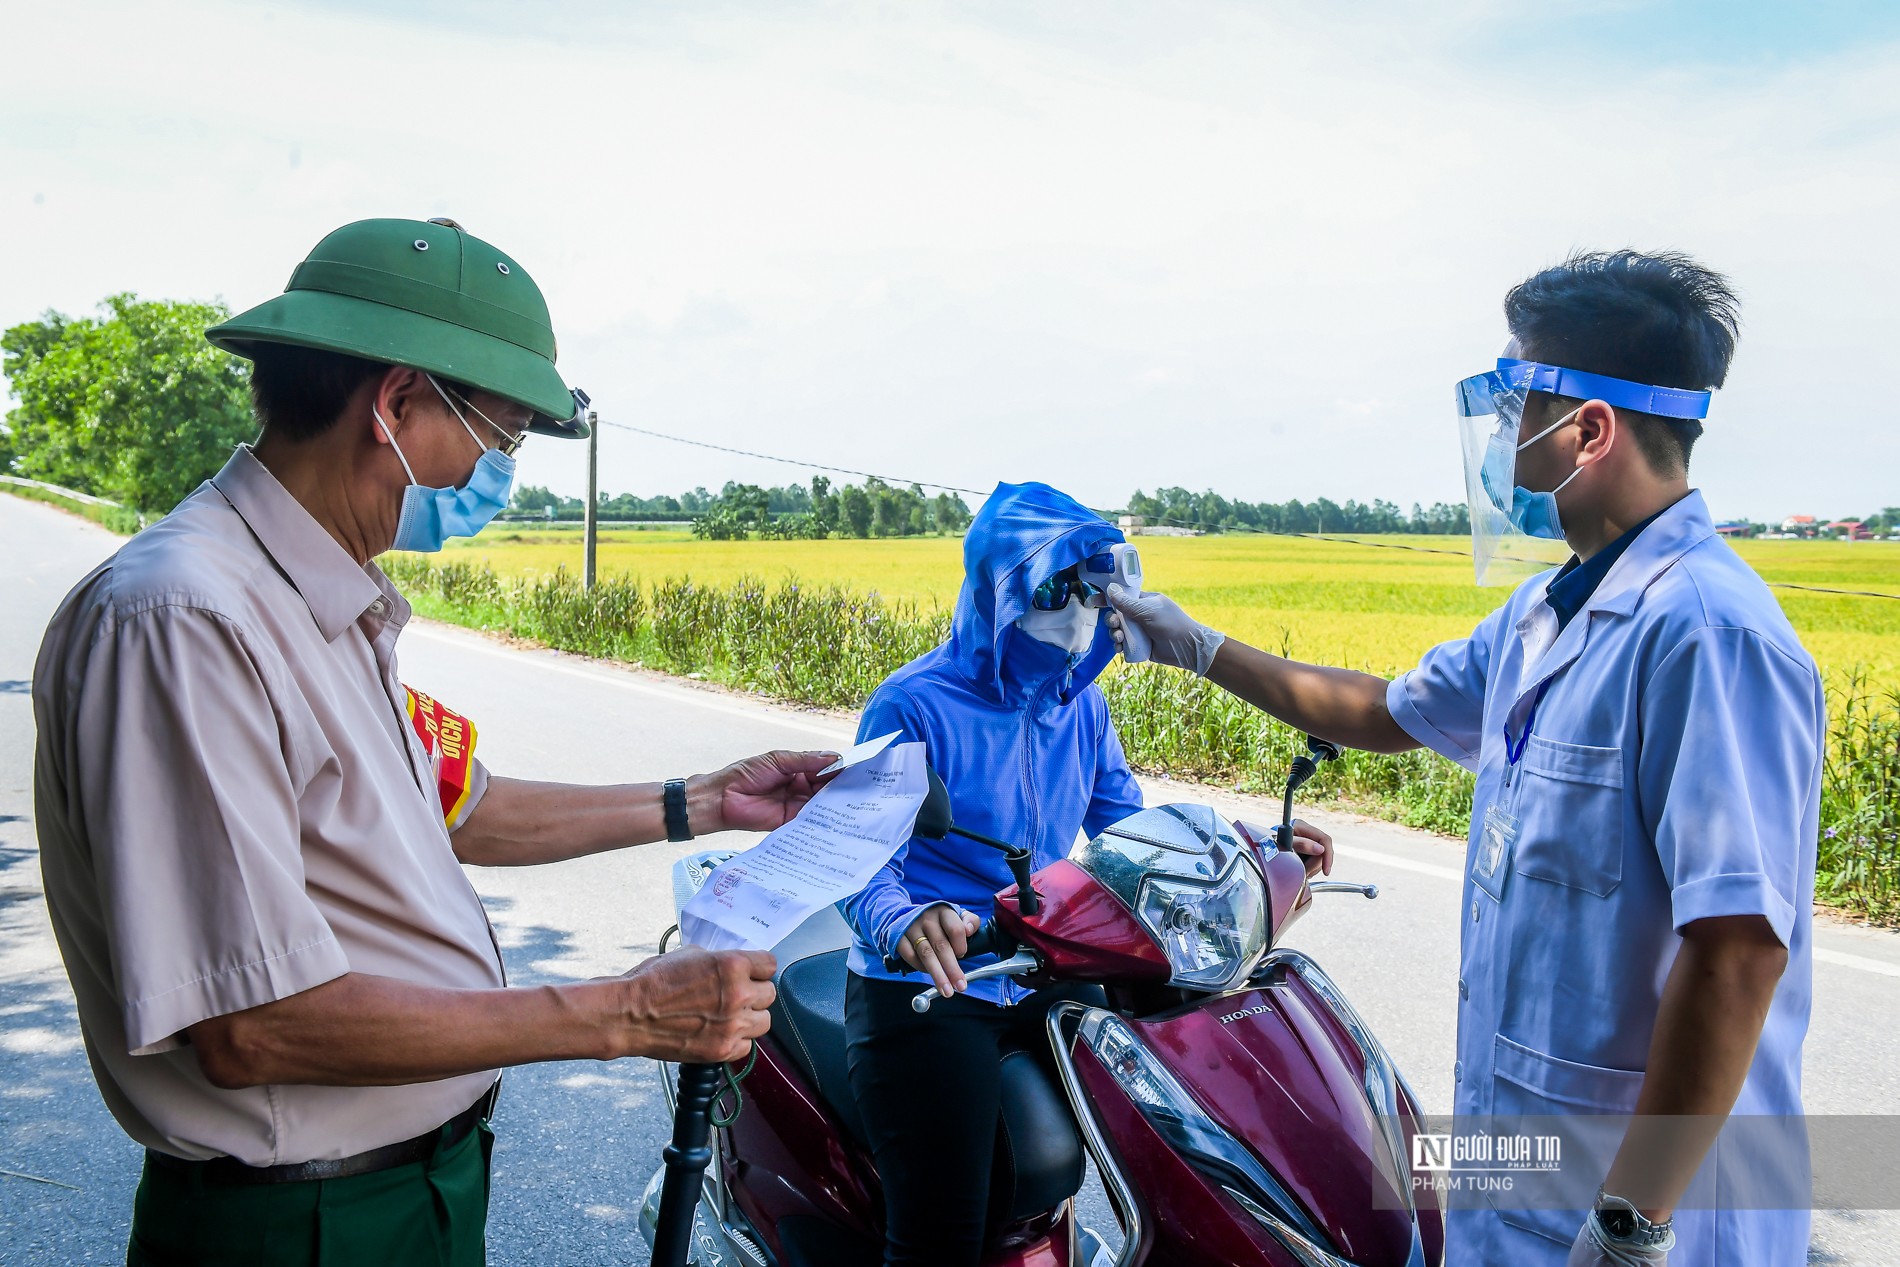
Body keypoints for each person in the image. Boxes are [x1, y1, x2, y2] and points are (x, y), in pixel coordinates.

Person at [31, 217, 836, 1266]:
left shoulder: (325, 599)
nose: (489, 475)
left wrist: (702, 799)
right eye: (495, 437)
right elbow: (251, 1026)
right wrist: (622, 1012)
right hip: (302, 1223)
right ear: (396, 401)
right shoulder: (189, 618)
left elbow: (457, 808)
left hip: (419, 1187)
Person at [1107, 251, 1819, 1267]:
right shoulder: (1542, 613)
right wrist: (1195, 646)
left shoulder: (1706, 635)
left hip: (1653, 1213)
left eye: (1514, 402)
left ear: (1589, 428)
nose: (1499, 435)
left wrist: (1631, 1223)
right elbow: (1383, 707)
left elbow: (1738, 949)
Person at [838, 481, 1333, 1266]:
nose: (1077, 606)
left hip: (1048, 962)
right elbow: (858, 859)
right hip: (937, 984)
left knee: (1186, 1121)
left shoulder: (1080, 705)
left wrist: (1249, 849)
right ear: (999, 593)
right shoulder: (913, 704)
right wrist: (903, 920)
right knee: (940, 1236)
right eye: (1054, 585)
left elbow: (1129, 832)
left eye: (1090, 584)